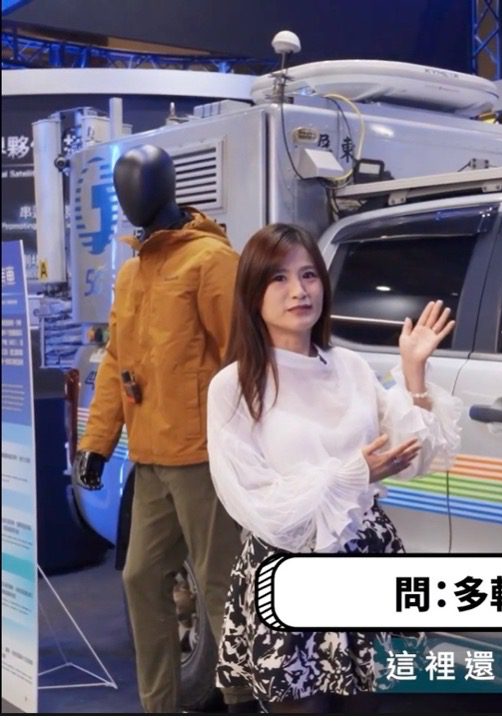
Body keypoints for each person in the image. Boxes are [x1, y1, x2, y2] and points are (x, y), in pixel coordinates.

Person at [205, 223, 462, 713]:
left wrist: (413, 372)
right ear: (252, 293)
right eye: (278, 278)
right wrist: (350, 476)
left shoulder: (350, 366)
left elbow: (408, 451)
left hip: (366, 558)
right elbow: (255, 501)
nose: (299, 291)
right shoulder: (233, 387)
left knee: (375, 705)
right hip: (288, 570)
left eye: (308, 275)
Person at [74, 144, 253, 713]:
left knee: (222, 586)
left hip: (203, 456)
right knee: (140, 577)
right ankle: (160, 704)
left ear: (167, 187)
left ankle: (245, 699)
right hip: (150, 458)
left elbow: (242, 357)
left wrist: (249, 447)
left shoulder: (211, 261)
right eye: (122, 187)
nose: (130, 197)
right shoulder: (132, 273)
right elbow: (116, 360)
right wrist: (97, 443)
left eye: (140, 184)